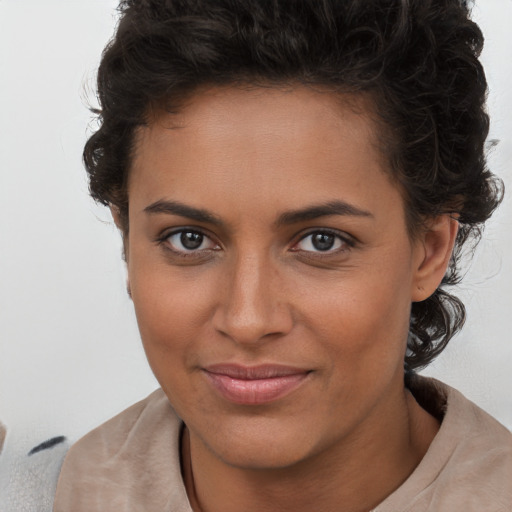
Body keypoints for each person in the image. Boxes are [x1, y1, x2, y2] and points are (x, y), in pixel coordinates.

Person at [53, 0, 512, 510]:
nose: (248, 320)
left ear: (429, 251)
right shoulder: (75, 486)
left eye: (322, 241)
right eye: (189, 238)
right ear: (127, 243)